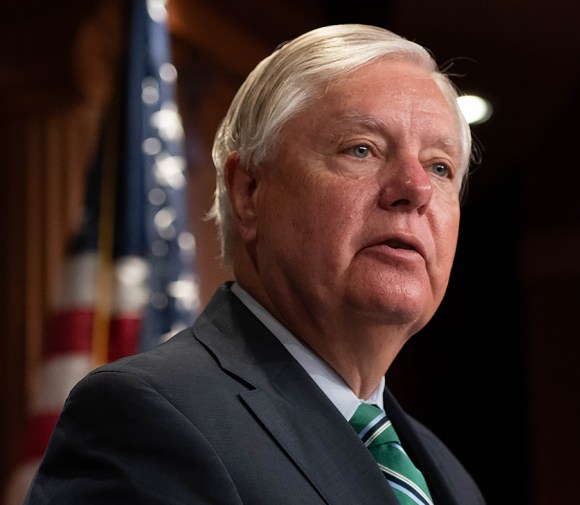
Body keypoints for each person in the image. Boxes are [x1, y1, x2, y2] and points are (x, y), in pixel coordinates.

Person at [26, 24, 484, 505]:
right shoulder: (146, 419)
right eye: (361, 148)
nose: (417, 188)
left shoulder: (447, 475)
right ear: (249, 193)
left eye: (440, 167)